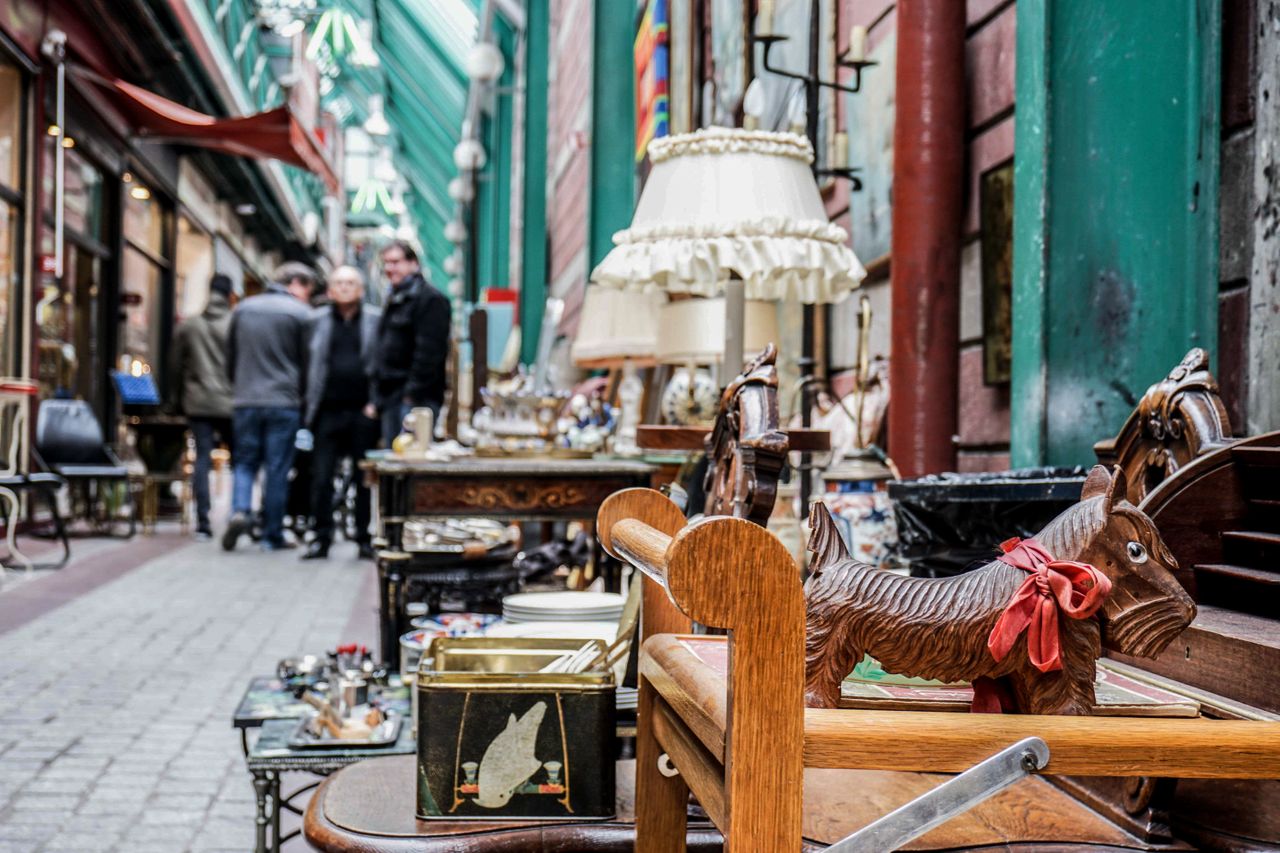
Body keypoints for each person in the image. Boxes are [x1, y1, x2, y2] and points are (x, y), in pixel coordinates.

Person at [222, 262, 314, 552]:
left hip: (246, 399)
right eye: (307, 291)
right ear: (296, 283)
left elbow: (230, 355)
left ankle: (240, 510)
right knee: (277, 468)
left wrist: (238, 386)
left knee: (245, 462)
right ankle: (272, 534)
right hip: (284, 402)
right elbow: (309, 361)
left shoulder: (244, 308)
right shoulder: (301, 313)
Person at [302, 266, 380, 561]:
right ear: (330, 290)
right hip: (326, 412)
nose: (345, 288)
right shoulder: (315, 321)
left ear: (360, 289)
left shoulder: (374, 320)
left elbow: (382, 362)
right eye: (339, 283)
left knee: (363, 478)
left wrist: (375, 405)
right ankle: (321, 537)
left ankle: (363, 538)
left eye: (350, 283)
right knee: (321, 477)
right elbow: (306, 363)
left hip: (363, 412)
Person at [169, 274, 234, 540]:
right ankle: (239, 513)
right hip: (231, 401)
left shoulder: (190, 326)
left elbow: (174, 366)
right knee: (243, 460)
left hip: (198, 402)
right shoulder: (235, 324)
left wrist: (175, 401)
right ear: (230, 294)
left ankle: (203, 523)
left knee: (202, 460)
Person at [371, 240, 451, 446]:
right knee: (394, 460)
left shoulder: (430, 299)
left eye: (396, 262)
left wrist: (411, 395)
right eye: (386, 263)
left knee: (410, 460)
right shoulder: (396, 298)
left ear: (413, 263)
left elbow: (430, 352)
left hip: (416, 400)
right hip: (392, 397)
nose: (389, 268)